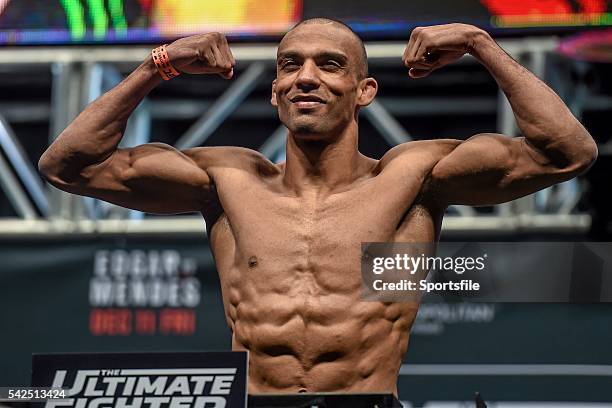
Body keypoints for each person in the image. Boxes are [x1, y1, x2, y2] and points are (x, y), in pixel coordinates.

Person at [38, 19, 597, 395]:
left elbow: (568, 152)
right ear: (274, 89)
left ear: (364, 90)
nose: (306, 77)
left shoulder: (413, 178)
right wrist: (158, 64)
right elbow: (68, 165)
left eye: (329, 65)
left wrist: (480, 43)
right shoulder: (228, 180)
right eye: (289, 65)